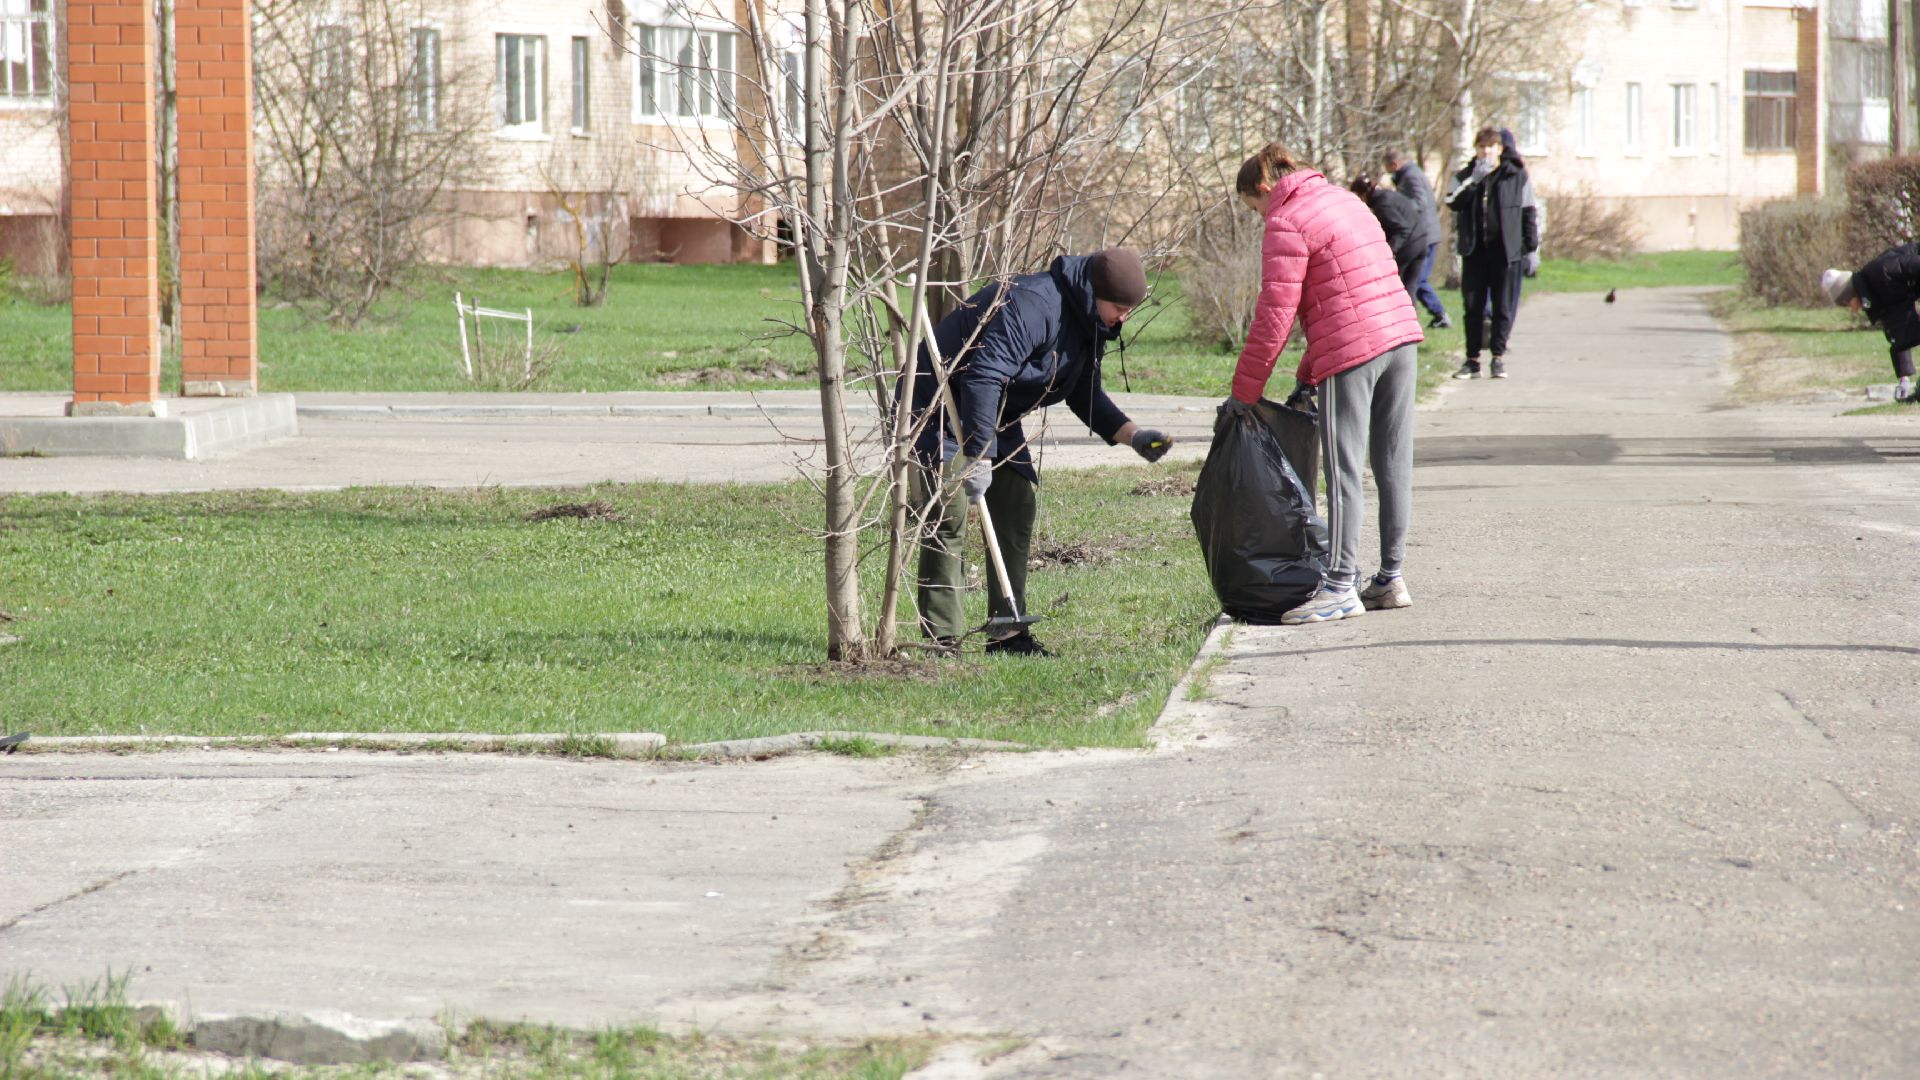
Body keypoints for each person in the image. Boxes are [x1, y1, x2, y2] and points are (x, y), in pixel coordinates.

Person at [907, 248, 1173, 656]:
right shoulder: (1033, 305)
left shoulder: (1088, 323)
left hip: (996, 410)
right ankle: (943, 640)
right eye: (1119, 308)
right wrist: (977, 457)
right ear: (1095, 292)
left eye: (1129, 311)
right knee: (949, 513)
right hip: (940, 401)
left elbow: (1084, 393)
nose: (1123, 318)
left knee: (1016, 504)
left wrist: (1134, 436)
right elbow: (983, 374)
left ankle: (1008, 633)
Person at [1228, 143, 1425, 625]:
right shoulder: (1343, 200)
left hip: (1353, 351)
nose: (1259, 217)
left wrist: (1244, 393)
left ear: (1263, 189)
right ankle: (1390, 578)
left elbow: (1275, 317)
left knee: (1342, 471)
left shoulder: (1286, 221)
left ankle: (1339, 585)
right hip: (1400, 334)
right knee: (1392, 462)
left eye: (1254, 207)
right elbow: (1343, 292)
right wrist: (1305, 374)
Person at [1444, 126, 1538, 380]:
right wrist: (1474, 180)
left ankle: (1498, 357)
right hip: (1475, 252)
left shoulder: (1515, 174)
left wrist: (1531, 249)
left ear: (1500, 149)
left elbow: (1528, 210)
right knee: (1473, 306)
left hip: (1506, 252)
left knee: (1503, 306)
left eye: (1490, 147)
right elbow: (1451, 201)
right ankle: (1472, 359)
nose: (1485, 152)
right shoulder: (1466, 174)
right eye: (1481, 147)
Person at [1822, 249, 1920, 402]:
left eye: (1847, 305)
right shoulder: (1876, 296)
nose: (1852, 310)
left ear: (1849, 297)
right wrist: (1903, 379)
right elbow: (1899, 335)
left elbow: (1914, 264)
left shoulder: (1881, 271)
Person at [1382, 149, 1450, 328]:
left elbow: (1420, 203)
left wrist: (1398, 202)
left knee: (1418, 280)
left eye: (1387, 168)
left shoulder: (1410, 176)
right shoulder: (1409, 174)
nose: (1387, 172)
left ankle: (1440, 313)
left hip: (1425, 235)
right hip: (1425, 233)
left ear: (1394, 164)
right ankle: (1434, 315)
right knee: (1416, 280)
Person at [1349, 175, 1432, 308]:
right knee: (1409, 287)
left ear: (1363, 194)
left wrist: (1390, 251)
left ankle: (1400, 320)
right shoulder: (1387, 196)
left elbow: (1402, 229)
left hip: (1409, 246)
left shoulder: (1383, 204)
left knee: (1394, 287)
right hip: (1421, 240)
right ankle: (1411, 324)